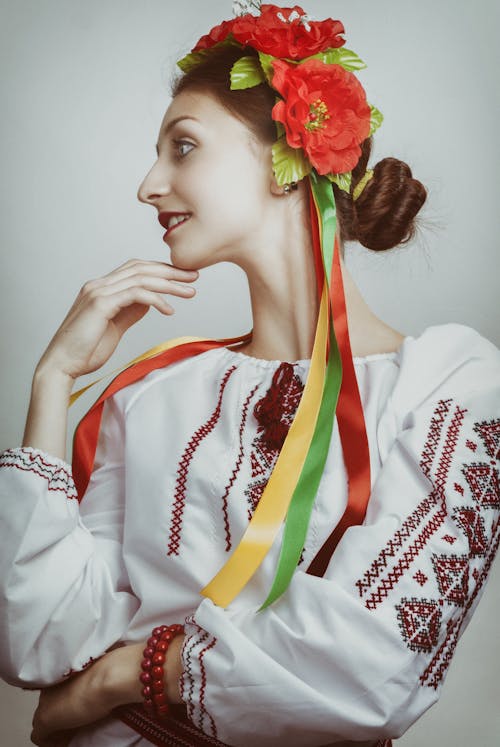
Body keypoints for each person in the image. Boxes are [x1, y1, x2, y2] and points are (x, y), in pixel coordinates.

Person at [0, 3, 499, 746]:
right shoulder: (152, 392)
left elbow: (372, 666)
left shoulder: (452, 384)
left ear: (286, 158)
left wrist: (121, 674)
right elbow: (39, 641)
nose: (148, 184)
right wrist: (52, 380)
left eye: (183, 146)